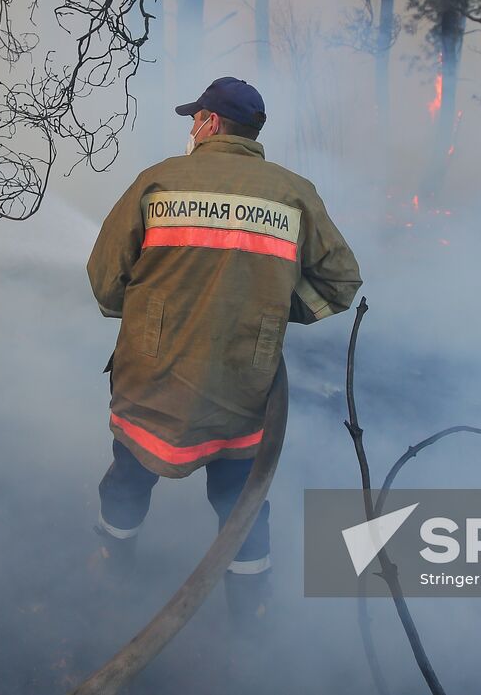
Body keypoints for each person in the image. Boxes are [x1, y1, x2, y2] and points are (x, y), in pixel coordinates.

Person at [86, 76, 362, 628]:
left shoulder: (158, 181)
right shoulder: (293, 192)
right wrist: (269, 311)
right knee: (242, 502)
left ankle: (113, 572)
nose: (191, 128)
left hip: (152, 379)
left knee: (128, 478)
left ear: (210, 123)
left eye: (196, 119)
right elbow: (340, 283)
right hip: (245, 382)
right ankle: (249, 616)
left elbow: (105, 281)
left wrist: (148, 315)